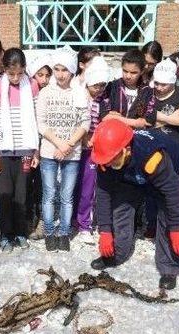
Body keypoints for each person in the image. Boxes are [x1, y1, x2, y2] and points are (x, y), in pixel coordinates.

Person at [89, 119, 179, 290]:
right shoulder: (105, 160)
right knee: (120, 210)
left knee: (166, 218)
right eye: (106, 161)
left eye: (113, 160)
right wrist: (105, 231)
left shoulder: (153, 158)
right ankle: (117, 254)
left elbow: (173, 194)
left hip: (167, 174)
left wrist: (176, 228)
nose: (109, 164)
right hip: (130, 176)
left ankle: (169, 267)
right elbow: (103, 195)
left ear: (126, 149)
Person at [128, 58, 179, 238]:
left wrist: (160, 116)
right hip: (150, 148)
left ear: (172, 82)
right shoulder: (147, 93)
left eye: (164, 85)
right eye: (157, 83)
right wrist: (171, 116)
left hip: (173, 149)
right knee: (151, 189)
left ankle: (172, 225)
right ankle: (151, 224)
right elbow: (138, 120)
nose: (160, 88)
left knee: (174, 188)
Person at [37, 49, 91, 252]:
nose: (60, 74)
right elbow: (41, 124)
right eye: (56, 69)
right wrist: (60, 144)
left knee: (67, 196)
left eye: (64, 70)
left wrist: (68, 145)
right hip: (50, 151)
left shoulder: (79, 93)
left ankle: (65, 232)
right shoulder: (45, 93)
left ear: (72, 71)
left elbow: (84, 123)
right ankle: (50, 231)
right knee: (49, 194)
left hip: (72, 152)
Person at [0, 48, 40, 252]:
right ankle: (5, 234)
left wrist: (36, 150)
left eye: (20, 73)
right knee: (4, 194)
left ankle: (20, 232)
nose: (16, 78)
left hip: (26, 151)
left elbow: (36, 118)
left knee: (22, 195)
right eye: (11, 74)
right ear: (4, 70)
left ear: (25, 69)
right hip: (3, 151)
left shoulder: (32, 85)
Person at [72, 56, 110, 243]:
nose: (99, 89)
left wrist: (92, 138)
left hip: (92, 150)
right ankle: (70, 219)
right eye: (96, 85)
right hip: (75, 147)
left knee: (88, 188)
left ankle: (84, 224)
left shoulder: (103, 100)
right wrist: (82, 137)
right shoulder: (78, 95)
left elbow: (103, 123)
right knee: (71, 186)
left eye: (103, 85)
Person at [26, 54, 53, 240]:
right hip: (31, 145)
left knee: (45, 186)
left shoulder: (52, 92)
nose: (44, 79)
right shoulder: (28, 91)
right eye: (39, 75)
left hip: (48, 145)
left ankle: (43, 220)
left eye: (47, 75)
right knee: (30, 184)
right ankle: (30, 219)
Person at [102, 49, 147, 128]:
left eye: (133, 73)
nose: (128, 76)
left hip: (136, 136)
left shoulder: (147, 91)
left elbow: (147, 121)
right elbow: (102, 114)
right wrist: (134, 122)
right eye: (125, 71)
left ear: (142, 71)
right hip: (114, 132)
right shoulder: (112, 87)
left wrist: (116, 117)